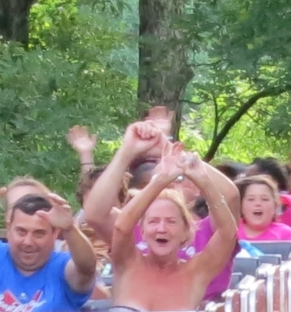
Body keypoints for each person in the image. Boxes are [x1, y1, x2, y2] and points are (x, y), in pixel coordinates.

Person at [83, 119, 241, 299]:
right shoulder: (132, 236)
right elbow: (95, 214)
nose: (169, 182)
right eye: (160, 176)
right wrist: (127, 151)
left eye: (178, 177)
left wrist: (175, 153)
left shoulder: (207, 235)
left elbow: (230, 198)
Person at [109, 143, 238, 312]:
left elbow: (228, 234)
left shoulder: (196, 272)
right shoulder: (127, 263)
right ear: (142, 230)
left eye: (171, 221)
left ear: (186, 231)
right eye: (153, 221)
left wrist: (205, 183)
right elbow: (121, 227)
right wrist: (160, 180)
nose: (161, 229)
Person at [0, 170, 97, 312]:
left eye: (39, 233)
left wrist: (70, 229)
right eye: (21, 232)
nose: (28, 242)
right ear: (9, 228)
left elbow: (87, 267)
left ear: (54, 233)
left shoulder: (63, 267)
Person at [237, 175, 291, 242]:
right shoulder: (232, 231)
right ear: (241, 205)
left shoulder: (285, 234)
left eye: (265, 199)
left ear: (275, 205)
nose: (258, 203)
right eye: (251, 199)